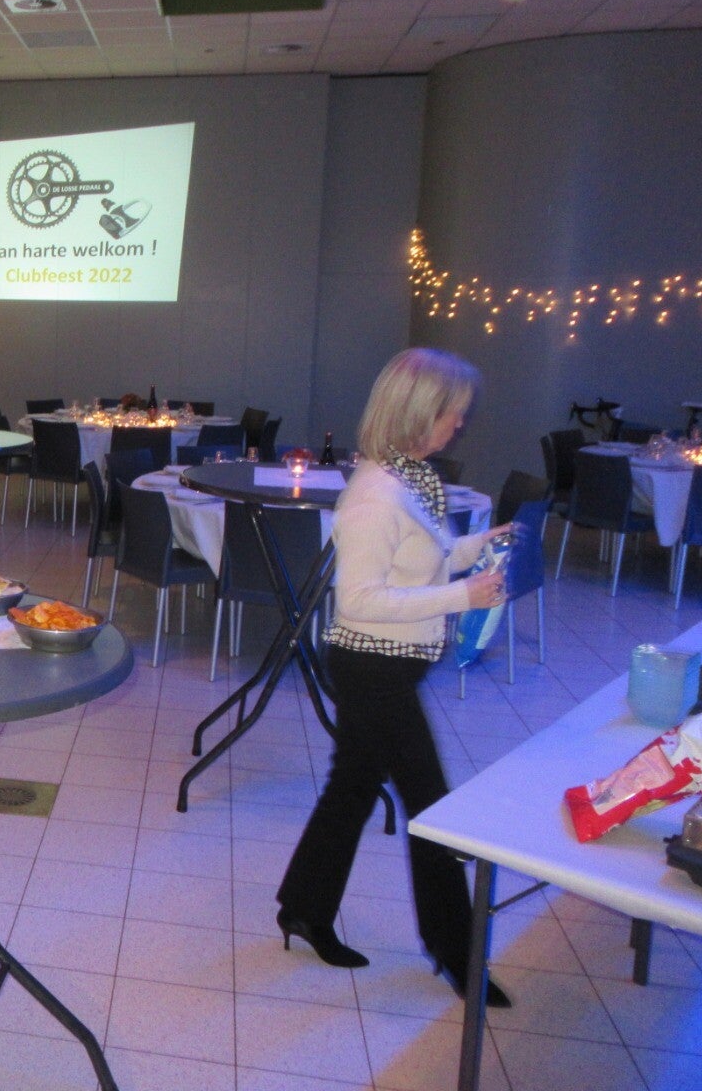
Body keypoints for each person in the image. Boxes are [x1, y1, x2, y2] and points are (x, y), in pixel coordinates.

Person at [275, 348, 515, 1008]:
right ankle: (456, 953)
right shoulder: (376, 494)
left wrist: (478, 546)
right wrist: (464, 596)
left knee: (352, 787)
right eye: (451, 414)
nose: (458, 425)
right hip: (371, 668)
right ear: (416, 412)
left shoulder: (411, 477)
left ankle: (303, 907)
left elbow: (425, 560)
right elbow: (359, 601)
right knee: (431, 806)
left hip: (388, 664)